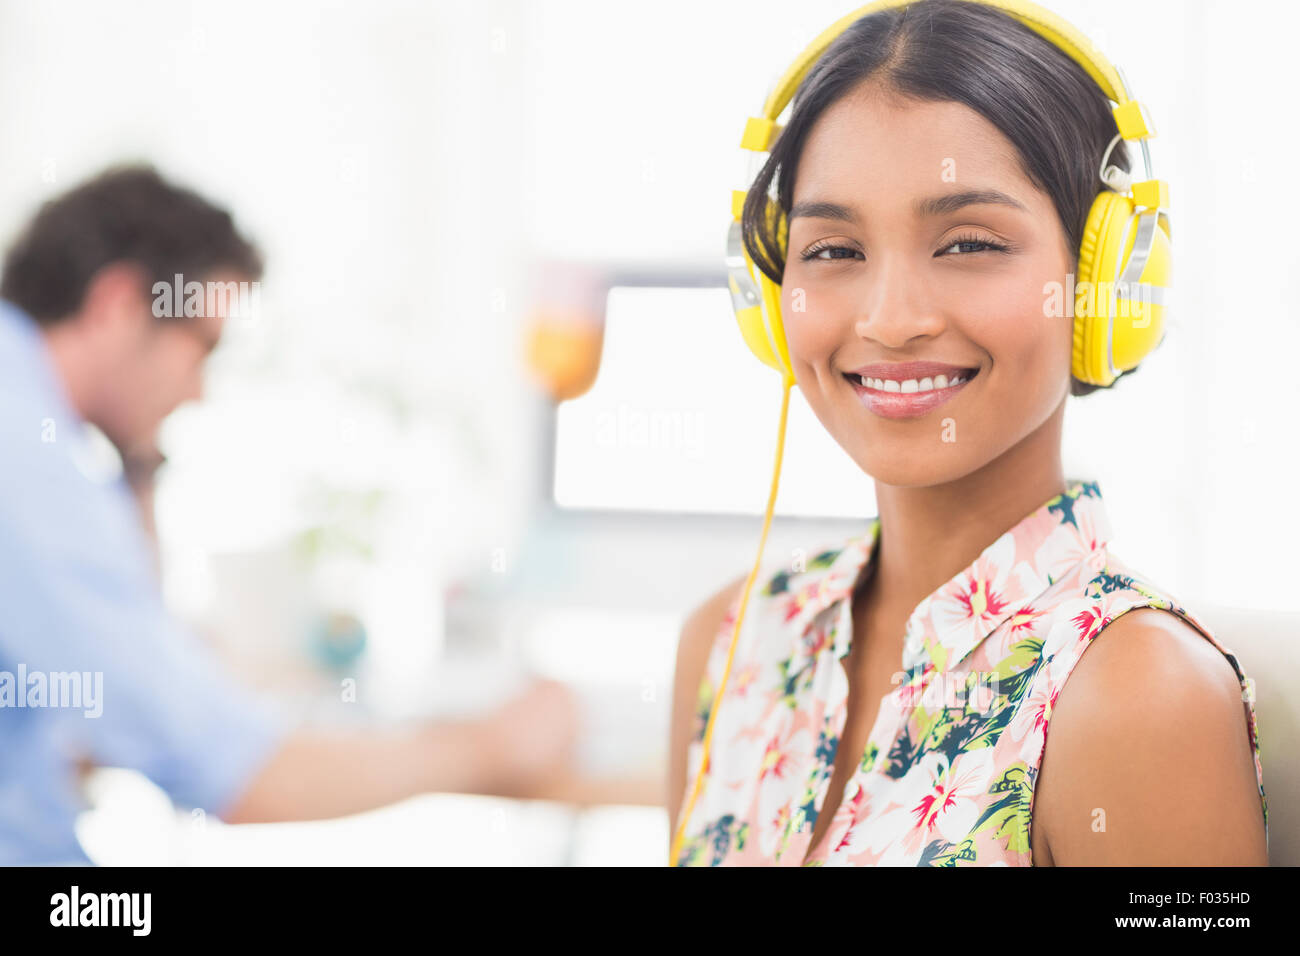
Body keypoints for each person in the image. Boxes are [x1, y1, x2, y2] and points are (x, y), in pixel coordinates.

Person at [668, 0, 1268, 866]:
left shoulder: (1139, 699)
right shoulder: (729, 642)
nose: (891, 320)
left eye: (969, 243)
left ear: (1105, 283)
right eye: (834, 251)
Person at [0, 164, 578, 865]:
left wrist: (141, 464)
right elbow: (238, 776)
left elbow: (115, 699)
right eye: (202, 347)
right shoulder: (28, 463)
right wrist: (498, 743)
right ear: (118, 303)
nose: (199, 392)